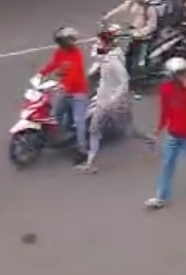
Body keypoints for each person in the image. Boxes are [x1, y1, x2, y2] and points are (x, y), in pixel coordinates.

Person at [81, 27, 154, 171]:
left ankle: (149, 138)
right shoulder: (106, 55)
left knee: (129, 130)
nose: (96, 44)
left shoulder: (114, 60)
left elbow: (124, 81)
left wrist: (115, 98)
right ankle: (90, 163)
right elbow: (95, 54)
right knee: (94, 129)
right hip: (102, 100)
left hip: (117, 103)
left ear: (106, 44)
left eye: (99, 42)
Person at [146, 54, 186, 210]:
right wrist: (158, 130)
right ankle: (161, 197)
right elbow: (165, 111)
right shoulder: (166, 89)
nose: (184, 75)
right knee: (167, 163)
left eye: (185, 72)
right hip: (173, 133)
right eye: (179, 73)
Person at [39, 26, 89, 162]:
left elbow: (75, 75)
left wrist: (64, 86)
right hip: (65, 91)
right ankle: (56, 138)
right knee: (55, 115)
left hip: (78, 94)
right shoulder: (61, 52)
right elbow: (54, 63)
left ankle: (83, 151)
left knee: (79, 122)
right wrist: (41, 73)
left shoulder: (76, 54)